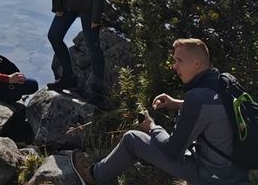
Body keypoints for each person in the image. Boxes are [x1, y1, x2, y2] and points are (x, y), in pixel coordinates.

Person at [72, 39, 247, 185]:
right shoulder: (224, 84)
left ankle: (92, 177)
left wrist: (151, 126)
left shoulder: (197, 98)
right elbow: (215, 110)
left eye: (179, 60)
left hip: (211, 177)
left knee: (132, 139)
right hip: (236, 173)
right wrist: (177, 104)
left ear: (197, 62)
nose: (174, 66)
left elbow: (172, 150)